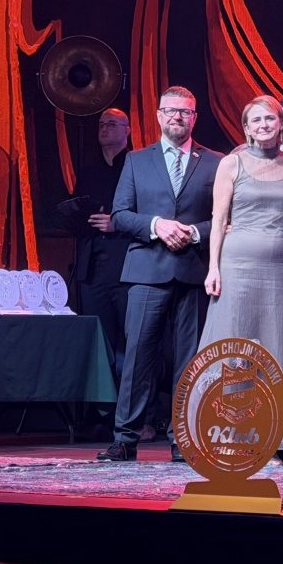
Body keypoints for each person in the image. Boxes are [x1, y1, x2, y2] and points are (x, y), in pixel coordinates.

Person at [98, 87, 223, 462]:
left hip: (193, 271)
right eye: (170, 111)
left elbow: (225, 218)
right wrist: (156, 225)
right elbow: (120, 215)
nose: (177, 117)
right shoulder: (137, 161)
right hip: (147, 270)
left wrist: (196, 232)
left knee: (190, 360)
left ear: (194, 118)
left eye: (185, 112)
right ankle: (125, 438)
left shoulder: (216, 162)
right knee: (137, 357)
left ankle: (184, 439)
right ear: (158, 116)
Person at [201, 96, 283, 395]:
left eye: (270, 118)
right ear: (247, 128)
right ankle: (230, 417)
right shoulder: (231, 163)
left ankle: (282, 420)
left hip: (282, 269)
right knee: (235, 337)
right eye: (257, 120)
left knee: (282, 341)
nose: (264, 124)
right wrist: (213, 268)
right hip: (237, 267)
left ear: (280, 124)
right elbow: (219, 219)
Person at [59, 106, 133, 379]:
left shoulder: (137, 167)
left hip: (126, 267)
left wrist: (118, 222)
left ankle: (132, 400)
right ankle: (102, 399)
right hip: (92, 269)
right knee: (100, 338)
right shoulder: (89, 171)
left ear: (128, 130)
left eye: (112, 124)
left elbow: (149, 213)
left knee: (130, 339)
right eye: (102, 124)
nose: (104, 128)